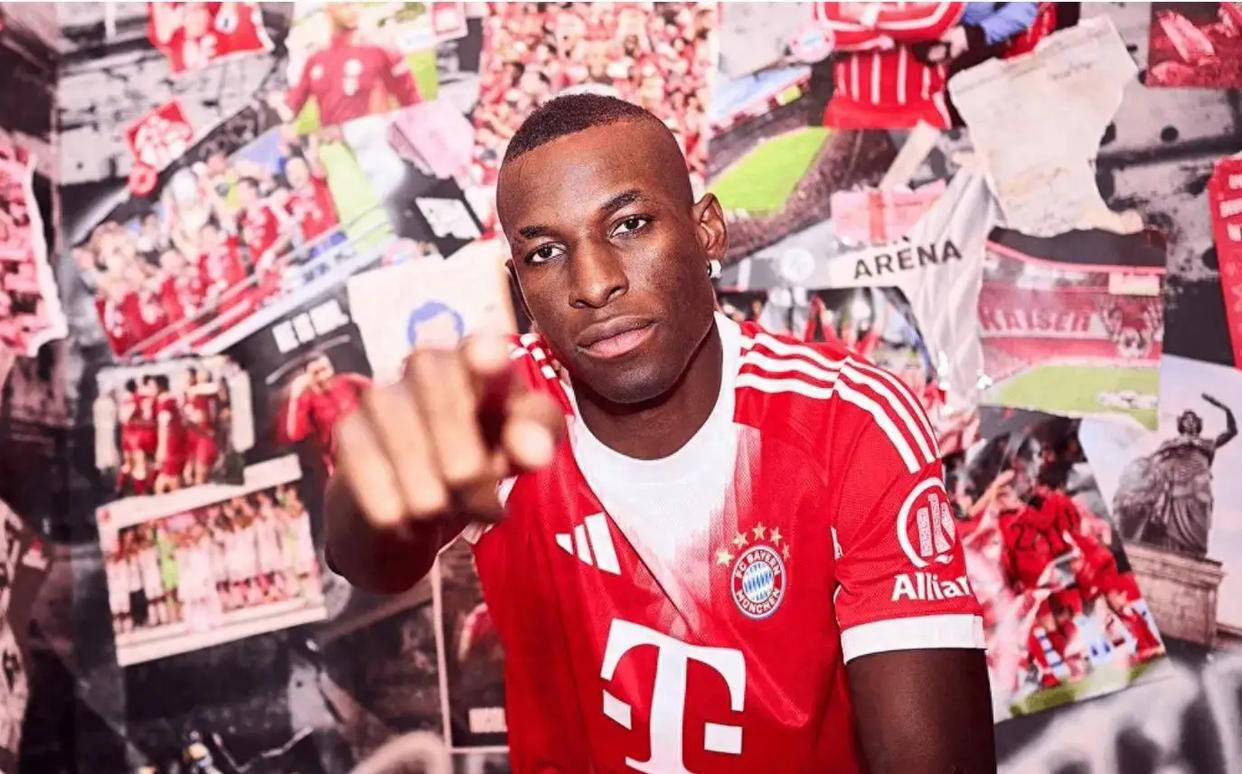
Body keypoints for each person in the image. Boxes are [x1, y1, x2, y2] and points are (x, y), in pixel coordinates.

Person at [325, 94, 993, 773]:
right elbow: (370, 562)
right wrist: (374, 480)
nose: (594, 284)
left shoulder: (846, 419)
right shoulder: (504, 410)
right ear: (520, 288)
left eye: (629, 225)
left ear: (707, 232)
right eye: (546, 252)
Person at [283, 354, 372, 477]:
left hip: (369, 448)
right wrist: (296, 397)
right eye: (316, 373)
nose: (323, 376)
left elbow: (379, 395)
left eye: (325, 369)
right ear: (307, 377)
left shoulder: (349, 382)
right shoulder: (306, 400)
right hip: (341, 463)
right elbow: (295, 434)